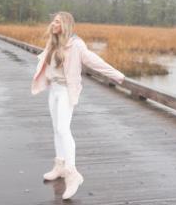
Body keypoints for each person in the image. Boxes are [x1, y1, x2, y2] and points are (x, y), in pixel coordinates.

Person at [31, 11, 126, 200]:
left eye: (57, 21)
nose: (53, 23)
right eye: (53, 21)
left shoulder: (76, 45)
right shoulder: (53, 41)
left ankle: (73, 174)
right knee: (56, 130)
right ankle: (59, 165)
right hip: (54, 91)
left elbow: (94, 61)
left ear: (65, 24)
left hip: (66, 91)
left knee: (63, 129)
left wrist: (117, 75)